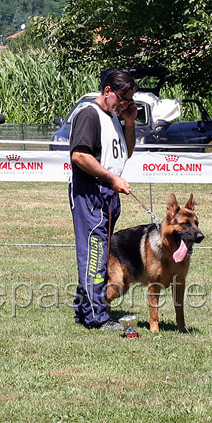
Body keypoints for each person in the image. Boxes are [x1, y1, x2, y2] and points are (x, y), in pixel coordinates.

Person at [69, 69, 138, 330]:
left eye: (130, 101)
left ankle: (83, 309)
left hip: (108, 194)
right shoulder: (89, 114)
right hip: (91, 193)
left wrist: (129, 122)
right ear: (107, 91)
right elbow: (80, 156)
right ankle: (96, 317)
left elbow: (126, 152)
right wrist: (112, 179)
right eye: (123, 98)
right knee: (95, 255)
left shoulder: (113, 117)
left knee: (99, 252)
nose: (125, 104)